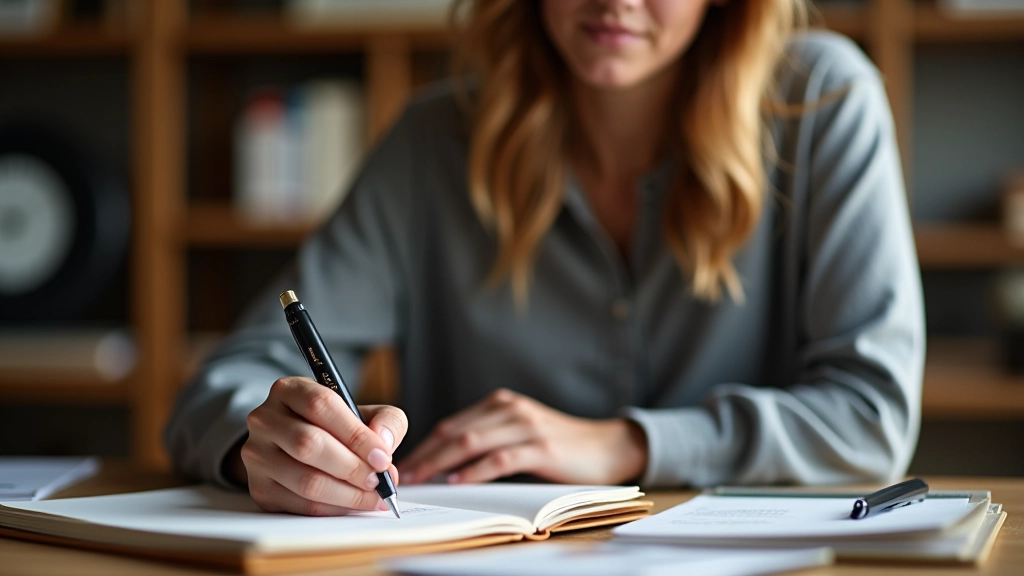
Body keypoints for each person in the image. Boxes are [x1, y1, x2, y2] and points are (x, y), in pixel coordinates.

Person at [166, 0, 924, 517]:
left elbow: (871, 415)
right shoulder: (433, 143)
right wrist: (266, 450)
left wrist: (624, 444)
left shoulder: (823, 104)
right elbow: (223, 386)